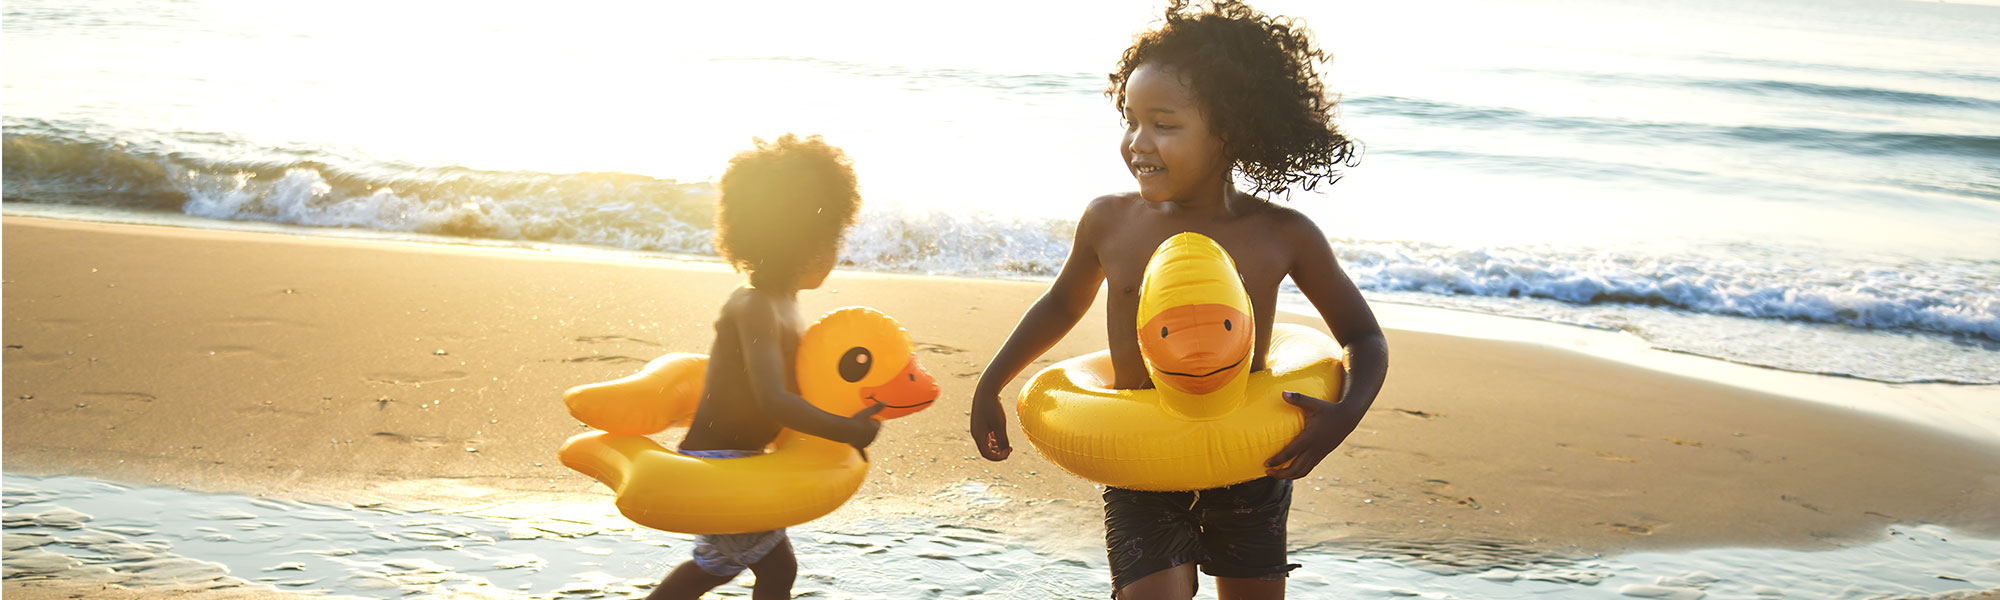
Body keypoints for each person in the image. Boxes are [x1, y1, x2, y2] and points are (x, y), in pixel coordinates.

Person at [965, 1, 1389, 598]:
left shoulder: (1280, 235)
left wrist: (1344, 415)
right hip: (1141, 456)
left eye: (1163, 124)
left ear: (1232, 131)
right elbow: (1062, 305)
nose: (1139, 142)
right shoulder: (1109, 221)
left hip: (1249, 460)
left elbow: (1362, 336)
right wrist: (992, 382)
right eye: (1130, 119)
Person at [649, 134, 885, 600]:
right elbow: (773, 400)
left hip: (744, 461)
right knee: (724, 570)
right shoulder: (755, 306)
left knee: (765, 570)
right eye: (832, 238)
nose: (835, 252)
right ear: (805, 245)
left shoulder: (786, 305)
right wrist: (847, 431)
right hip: (719, 463)